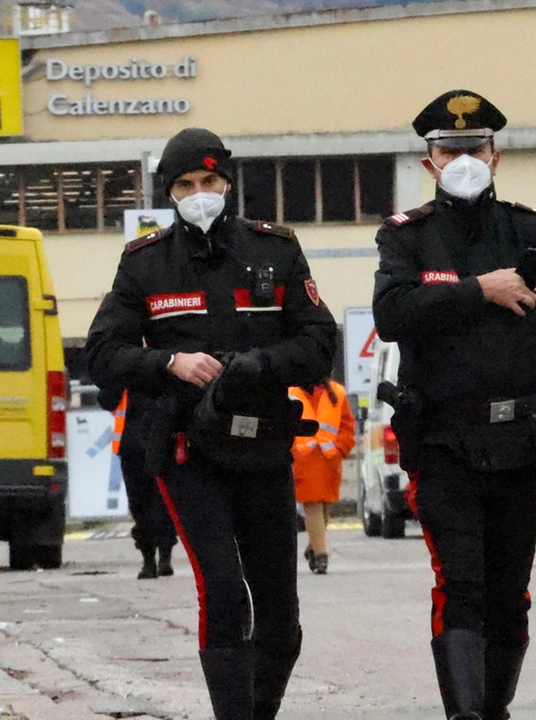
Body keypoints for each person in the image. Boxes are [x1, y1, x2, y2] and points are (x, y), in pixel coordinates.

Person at [372, 90, 536, 720]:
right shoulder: (407, 238)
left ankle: (494, 707)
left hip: (518, 440)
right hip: (443, 440)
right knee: (463, 585)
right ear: (428, 160)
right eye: (447, 149)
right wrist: (479, 288)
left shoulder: (532, 235)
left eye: (473, 147)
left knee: (509, 595)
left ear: (495, 154)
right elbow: (392, 314)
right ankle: (466, 714)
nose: (462, 159)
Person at [86, 127, 337, 720]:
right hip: (185, 451)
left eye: (210, 181)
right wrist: (168, 362)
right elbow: (103, 353)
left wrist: (260, 365)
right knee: (224, 590)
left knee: (280, 612)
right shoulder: (145, 262)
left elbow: (319, 342)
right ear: (170, 194)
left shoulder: (275, 249)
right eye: (186, 185)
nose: (200, 193)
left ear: (228, 183)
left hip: (264, 446)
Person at [101, 388, 177, 579]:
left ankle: (163, 558)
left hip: (160, 446)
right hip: (132, 448)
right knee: (140, 505)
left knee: (161, 503)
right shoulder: (125, 375)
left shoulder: (162, 371)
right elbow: (106, 399)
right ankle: (150, 560)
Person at [288, 379, 356, 575]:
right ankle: (321, 556)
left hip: (329, 461)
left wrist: (339, 449)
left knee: (324, 509)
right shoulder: (291, 391)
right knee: (314, 507)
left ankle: (313, 548)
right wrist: (293, 452)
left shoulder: (337, 392)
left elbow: (347, 427)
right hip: (303, 459)